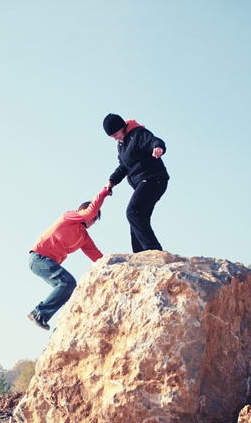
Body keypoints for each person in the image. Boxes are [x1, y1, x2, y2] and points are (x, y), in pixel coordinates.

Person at [27, 186, 111, 330]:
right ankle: (39, 313)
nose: (92, 221)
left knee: (68, 292)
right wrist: (105, 192)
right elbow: (89, 211)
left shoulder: (83, 237)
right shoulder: (69, 217)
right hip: (39, 257)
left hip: (49, 263)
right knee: (67, 282)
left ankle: (60, 330)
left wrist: (113, 267)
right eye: (93, 217)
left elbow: (97, 256)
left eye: (95, 220)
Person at [103, 113, 169, 252]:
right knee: (138, 219)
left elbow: (153, 140)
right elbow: (124, 166)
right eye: (112, 137)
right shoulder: (122, 145)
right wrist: (112, 181)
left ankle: (153, 250)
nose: (115, 138)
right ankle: (140, 254)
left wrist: (158, 148)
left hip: (153, 178)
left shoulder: (137, 134)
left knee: (133, 211)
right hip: (144, 182)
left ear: (122, 127)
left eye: (116, 134)